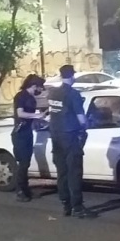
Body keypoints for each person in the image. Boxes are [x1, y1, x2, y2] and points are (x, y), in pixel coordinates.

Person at [47, 64, 95, 219]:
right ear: (72, 76)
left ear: (61, 75)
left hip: (56, 137)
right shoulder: (73, 94)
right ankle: (77, 207)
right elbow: (81, 119)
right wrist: (87, 124)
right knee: (74, 172)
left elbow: (52, 113)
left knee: (62, 172)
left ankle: (66, 205)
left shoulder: (53, 92)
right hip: (70, 137)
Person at [12, 74, 46, 202]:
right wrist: (37, 116)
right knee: (23, 163)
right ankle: (20, 191)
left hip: (27, 132)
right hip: (20, 133)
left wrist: (42, 120)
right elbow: (20, 113)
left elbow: (32, 117)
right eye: (40, 87)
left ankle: (26, 190)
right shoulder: (20, 96)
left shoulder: (31, 99)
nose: (41, 90)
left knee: (26, 163)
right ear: (34, 85)